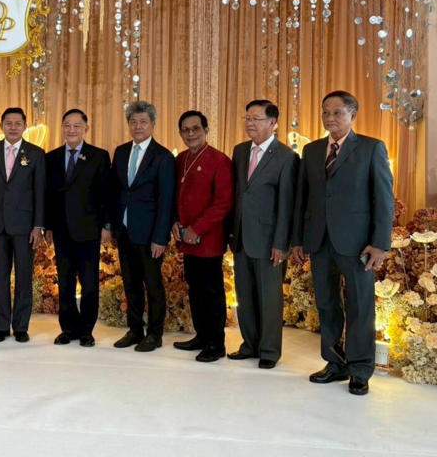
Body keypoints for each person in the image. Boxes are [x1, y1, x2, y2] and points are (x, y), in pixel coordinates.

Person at [291, 90, 394, 396]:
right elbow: (302, 199)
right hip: (319, 240)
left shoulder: (371, 148)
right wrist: (298, 239)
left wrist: (380, 243)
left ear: (352, 115)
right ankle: (335, 362)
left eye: (337, 112)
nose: (330, 118)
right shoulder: (311, 150)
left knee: (360, 305)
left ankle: (360, 369)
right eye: (326, 112)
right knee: (326, 303)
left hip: (358, 243)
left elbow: (383, 199)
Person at [229, 100, 298, 369]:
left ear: (273, 123)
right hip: (241, 237)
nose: (250, 123)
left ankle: (269, 350)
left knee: (269, 299)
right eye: (247, 118)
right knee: (244, 296)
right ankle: (250, 344)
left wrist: (282, 243)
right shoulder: (240, 151)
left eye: (256, 119)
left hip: (270, 241)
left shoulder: (286, 157)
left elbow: (287, 204)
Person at [109, 101, 175, 353]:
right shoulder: (121, 152)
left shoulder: (163, 157)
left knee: (153, 285)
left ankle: (155, 334)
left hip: (150, 235)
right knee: (131, 283)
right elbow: (116, 191)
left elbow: (166, 201)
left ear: (153, 124)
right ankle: (135, 329)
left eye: (143, 122)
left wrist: (160, 237)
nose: (138, 126)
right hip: (125, 231)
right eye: (133, 122)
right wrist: (113, 226)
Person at [45, 109, 112, 347]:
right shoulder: (51, 157)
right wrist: (48, 226)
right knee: (65, 282)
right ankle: (68, 328)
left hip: (89, 230)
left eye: (76, 125)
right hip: (61, 230)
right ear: (62, 128)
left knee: (89, 282)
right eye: (67, 125)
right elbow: (48, 196)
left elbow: (107, 194)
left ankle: (86, 330)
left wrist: (107, 225)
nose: (71, 129)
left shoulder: (99, 156)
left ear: (86, 128)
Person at [171, 110, 233, 362]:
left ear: (206, 130)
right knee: (195, 288)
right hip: (186, 239)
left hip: (208, 239)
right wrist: (175, 222)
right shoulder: (181, 159)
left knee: (211, 292)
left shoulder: (220, 161)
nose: (191, 134)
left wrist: (197, 229)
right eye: (185, 130)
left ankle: (216, 344)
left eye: (195, 128)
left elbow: (223, 203)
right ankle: (202, 336)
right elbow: (174, 196)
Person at [0, 107, 45, 343]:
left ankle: (20, 327)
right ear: (1, 126)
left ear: (25, 126)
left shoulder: (36, 153)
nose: (13, 127)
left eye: (18, 123)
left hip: (25, 226)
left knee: (23, 277)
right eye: (9, 123)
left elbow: (40, 191)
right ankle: (0, 326)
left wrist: (38, 225)